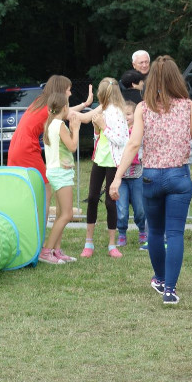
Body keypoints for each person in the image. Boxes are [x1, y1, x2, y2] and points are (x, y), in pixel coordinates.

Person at [109, 55, 192, 305]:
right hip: (178, 176)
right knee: (174, 234)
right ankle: (170, 290)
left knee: (154, 231)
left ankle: (160, 278)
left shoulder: (143, 108)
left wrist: (117, 177)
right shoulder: (187, 106)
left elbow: (133, 144)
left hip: (151, 176)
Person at [7, 75, 93, 209]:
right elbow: (85, 118)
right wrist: (107, 104)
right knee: (45, 190)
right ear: (61, 91)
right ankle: (41, 222)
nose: (70, 93)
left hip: (17, 146)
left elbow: (67, 111)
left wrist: (84, 105)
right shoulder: (48, 107)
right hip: (26, 149)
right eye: (68, 90)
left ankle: (32, 217)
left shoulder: (42, 102)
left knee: (30, 188)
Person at [77, 78, 129, 258]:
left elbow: (121, 140)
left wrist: (103, 126)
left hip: (113, 162)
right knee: (92, 198)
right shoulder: (102, 109)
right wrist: (96, 128)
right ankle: (88, 242)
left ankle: (112, 244)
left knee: (110, 201)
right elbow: (99, 135)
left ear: (104, 93)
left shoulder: (118, 112)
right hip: (99, 159)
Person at [40, 92, 81, 265]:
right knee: (67, 214)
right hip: (61, 173)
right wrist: (75, 129)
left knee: (59, 214)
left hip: (53, 171)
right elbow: (72, 146)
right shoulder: (60, 125)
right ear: (64, 107)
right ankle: (46, 251)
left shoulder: (49, 124)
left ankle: (56, 251)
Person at [116, 99, 147, 249]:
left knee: (140, 207)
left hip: (137, 175)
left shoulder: (139, 130)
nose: (125, 117)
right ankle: (122, 232)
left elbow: (139, 146)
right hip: (121, 177)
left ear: (135, 115)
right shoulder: (118, 131)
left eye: (128, 114)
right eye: (123, 114)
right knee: (121, 208)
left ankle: (142, 230)